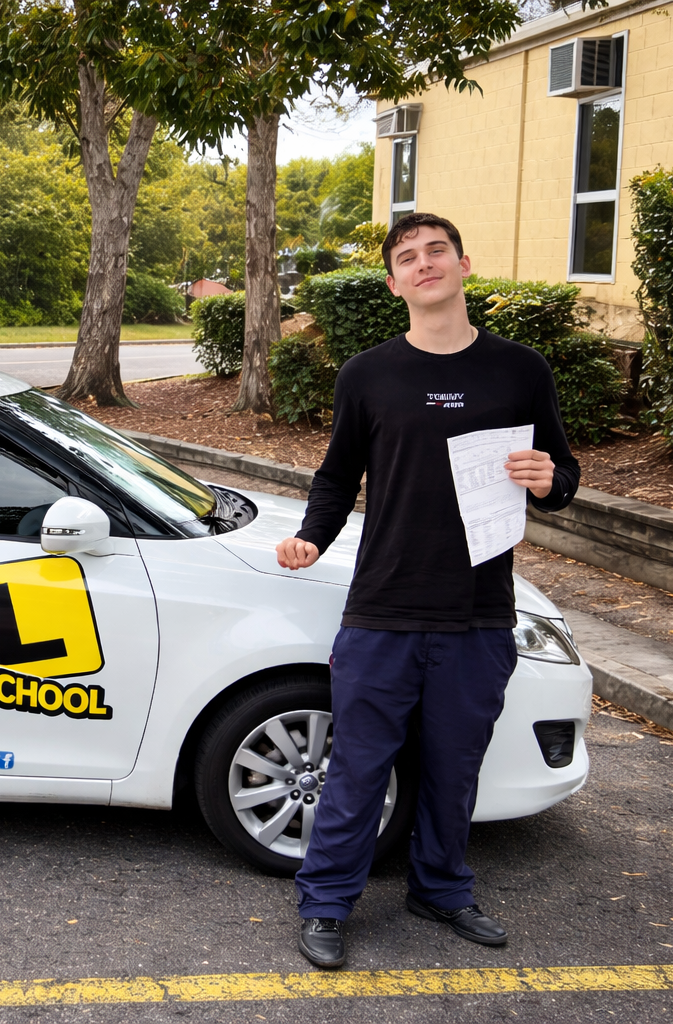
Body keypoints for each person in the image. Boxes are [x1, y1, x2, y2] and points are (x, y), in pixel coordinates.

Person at [275, 212, 580, 968]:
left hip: (478, 613)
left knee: (455, 767)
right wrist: (314, 535)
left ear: (464, 264)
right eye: (406, 257)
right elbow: (338, 475)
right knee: (358, 767)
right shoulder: (369, 374)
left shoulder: (521, 370)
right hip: (381, 607)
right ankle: (326, 903)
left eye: (435, 250)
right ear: (393, 282)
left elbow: (561, 475)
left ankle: (440, 888)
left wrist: (551, 483)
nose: (423, 262)